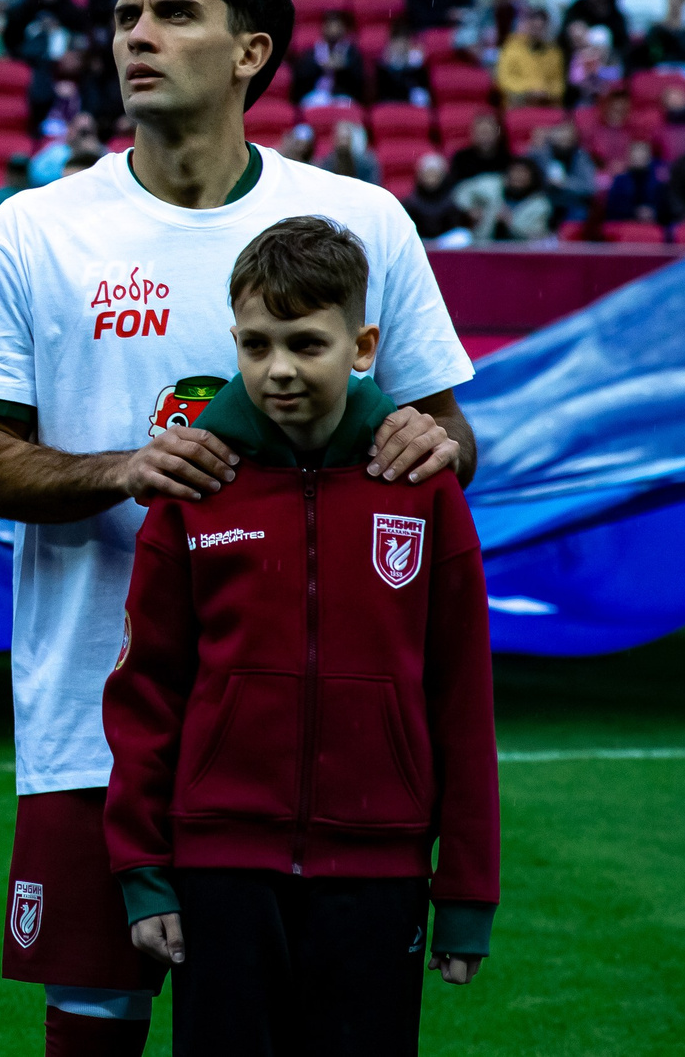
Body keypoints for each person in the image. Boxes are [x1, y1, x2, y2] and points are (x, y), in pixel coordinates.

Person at [0, 0, 473, 1057]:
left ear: (249, 50)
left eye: (173, 13)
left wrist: (429, 448)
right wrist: (124, 468)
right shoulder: (34, 230)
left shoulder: (361, 221)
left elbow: (450, 437)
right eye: (126, 14)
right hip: (91, 707)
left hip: (296, 750)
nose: (136, 35)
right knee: (94, 1014)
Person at [105, 217, 498, 1052]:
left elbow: (461, 696)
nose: (277, 368)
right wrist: (145, 873)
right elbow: (147, 692)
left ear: (362, 345)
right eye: (256, 343)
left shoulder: (424, 487)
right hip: (219, 870)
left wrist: (466, 885)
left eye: (306, 343)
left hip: (381, 870)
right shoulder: (194, 485)